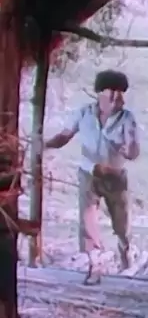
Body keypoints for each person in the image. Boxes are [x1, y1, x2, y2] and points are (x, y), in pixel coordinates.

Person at [44, 70, 140, 283]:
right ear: (99, 93)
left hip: (115, 178)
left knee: (122, 224)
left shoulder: (127, 118)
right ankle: (95, 265)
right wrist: (44, 145)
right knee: (88, 222)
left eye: (121, 93)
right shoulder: (84, 113)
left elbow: (133, 152)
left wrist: (127, 150)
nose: (117, 97)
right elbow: (65, 136)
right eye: (112, 91)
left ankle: (125, 250)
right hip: (89, 173)